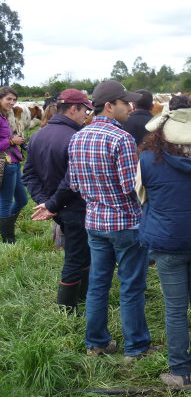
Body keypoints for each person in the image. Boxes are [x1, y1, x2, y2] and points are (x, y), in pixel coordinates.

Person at [138, 95, 191, 387]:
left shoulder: (148, 159)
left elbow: (141, 196)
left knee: (175, 308)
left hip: (168, 242)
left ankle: (179, 371)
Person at [67, 80, 157, 360]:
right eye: (124, 103)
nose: (130, 107)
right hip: (126, 223)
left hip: (94, 222)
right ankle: (136, 347)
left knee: (98, 284)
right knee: (131, 287)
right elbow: (133, 186)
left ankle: (96, 343)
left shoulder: (77, 137)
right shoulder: (121, 139)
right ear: (109, 106)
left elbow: (74, 184)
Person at [23, 89, 93, 311]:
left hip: (57, 208)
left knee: (80, 250)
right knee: (76, 255)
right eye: (85, 110)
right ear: (73, 109)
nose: (86, 115)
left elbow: (29, 175)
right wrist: (51, 204)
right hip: (75, 206)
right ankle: (67, 309)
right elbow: (73, 179)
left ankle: (83, 295)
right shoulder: (77, 137)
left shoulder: (38, 135)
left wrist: (46, 203)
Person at [0, 87, 28, 243]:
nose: (12, 102)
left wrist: (16, 139)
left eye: (14, 100)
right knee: (5, 201)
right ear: (0, 99)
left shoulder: (4, 116)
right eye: (8, 99)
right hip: (4, 163)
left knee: (23, 200)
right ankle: (8, 239)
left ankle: (4, 226)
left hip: (14, 162)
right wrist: (11, 141)